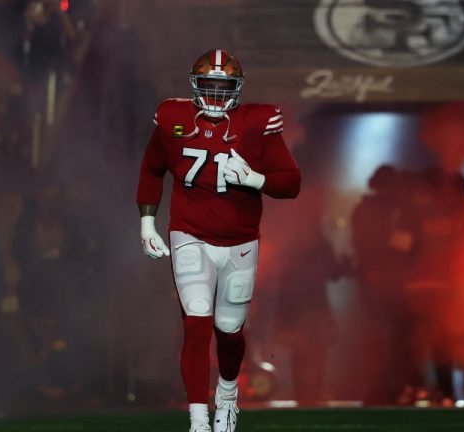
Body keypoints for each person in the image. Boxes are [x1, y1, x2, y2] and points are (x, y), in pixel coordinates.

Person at [136, 49, 300, 432]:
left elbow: (292, 183)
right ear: (194, 86)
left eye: (222, 86)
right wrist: (147, 222)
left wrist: (256, 179)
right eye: (207, 86)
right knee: (196, 323)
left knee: (229, 332)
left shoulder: (258, 122)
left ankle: (227, 395)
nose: (214, 94)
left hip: (240, 240)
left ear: (236, 89)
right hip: (189, 233)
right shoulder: (173, 118)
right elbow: (151, 166)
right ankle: (198, 420)